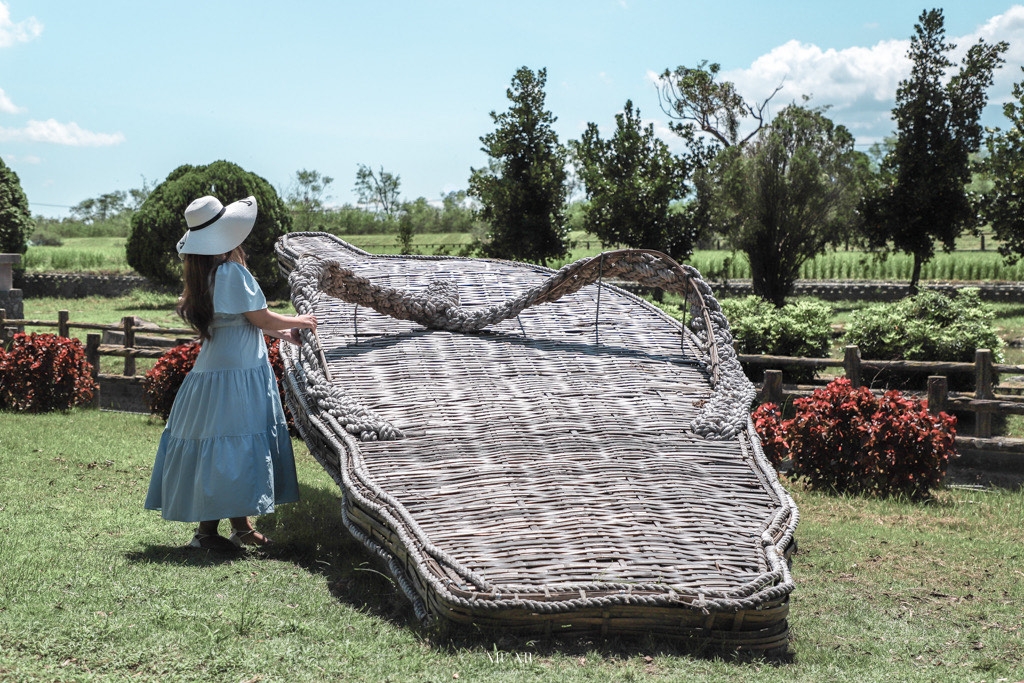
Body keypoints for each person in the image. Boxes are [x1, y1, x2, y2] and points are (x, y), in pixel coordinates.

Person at [144, 195, 317, 551]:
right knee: (237, 443)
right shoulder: (233, 272)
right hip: (240, 373)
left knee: (221, 443)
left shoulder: (202, 276)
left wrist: (285, 334)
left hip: (210, 374)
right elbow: (261, 318)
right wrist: (303, 320)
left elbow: (241, 322)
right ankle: (222, 531)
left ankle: (227, 529)